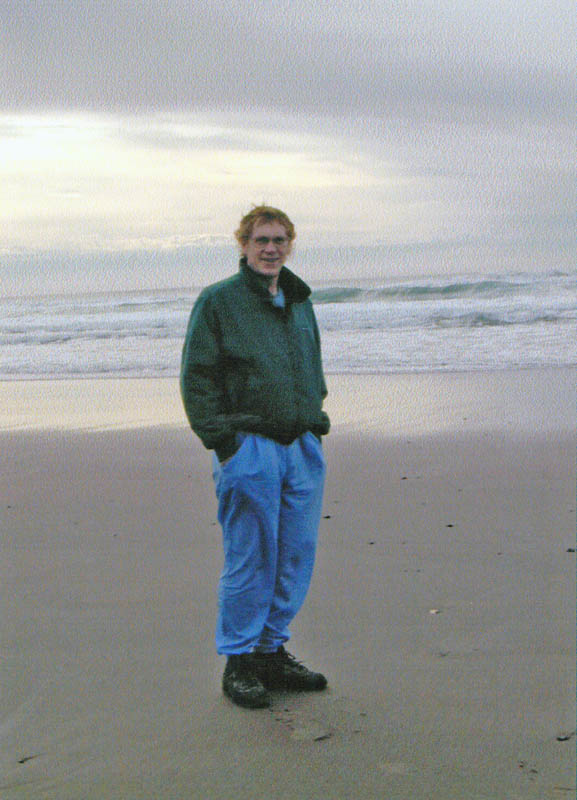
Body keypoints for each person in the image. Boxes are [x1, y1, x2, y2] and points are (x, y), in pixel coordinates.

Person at [180, 206, 330, 709]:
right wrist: (225, 443)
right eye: (261, 239)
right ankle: (239, 661)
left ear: (291, 244)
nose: (271, 248)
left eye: (280, 240)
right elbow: (197, 377)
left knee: (295, 552)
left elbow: (311, 364)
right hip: (250, 446)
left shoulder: (299, 300)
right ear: (243, 245)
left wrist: (315, 419)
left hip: (300, 444)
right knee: (251, 555)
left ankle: (270, 651)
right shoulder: (219, 302)